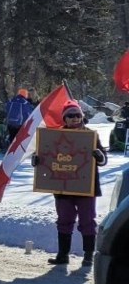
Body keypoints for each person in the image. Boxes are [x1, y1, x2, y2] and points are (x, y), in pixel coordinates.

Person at [35, 100, 108, 267]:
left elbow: (103, 160)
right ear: (64, 119)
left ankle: (88, 255)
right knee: (64, 220)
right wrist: (37, 160)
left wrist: (99, 157)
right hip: (63, 187)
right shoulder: (55, 137)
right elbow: (46, 157)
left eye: (77, 115)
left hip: (85, 187)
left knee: (87, 221)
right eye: (70, 115)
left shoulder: (91, 136)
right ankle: (63, 254)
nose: (74, 118)